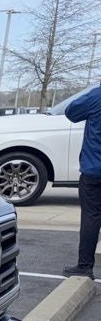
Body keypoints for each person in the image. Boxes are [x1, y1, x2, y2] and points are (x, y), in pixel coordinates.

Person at [64, 82, 101, 280]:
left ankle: (85, 266)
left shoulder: (96, 96)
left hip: (94, 169)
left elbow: (71, 112)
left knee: (91, 216)